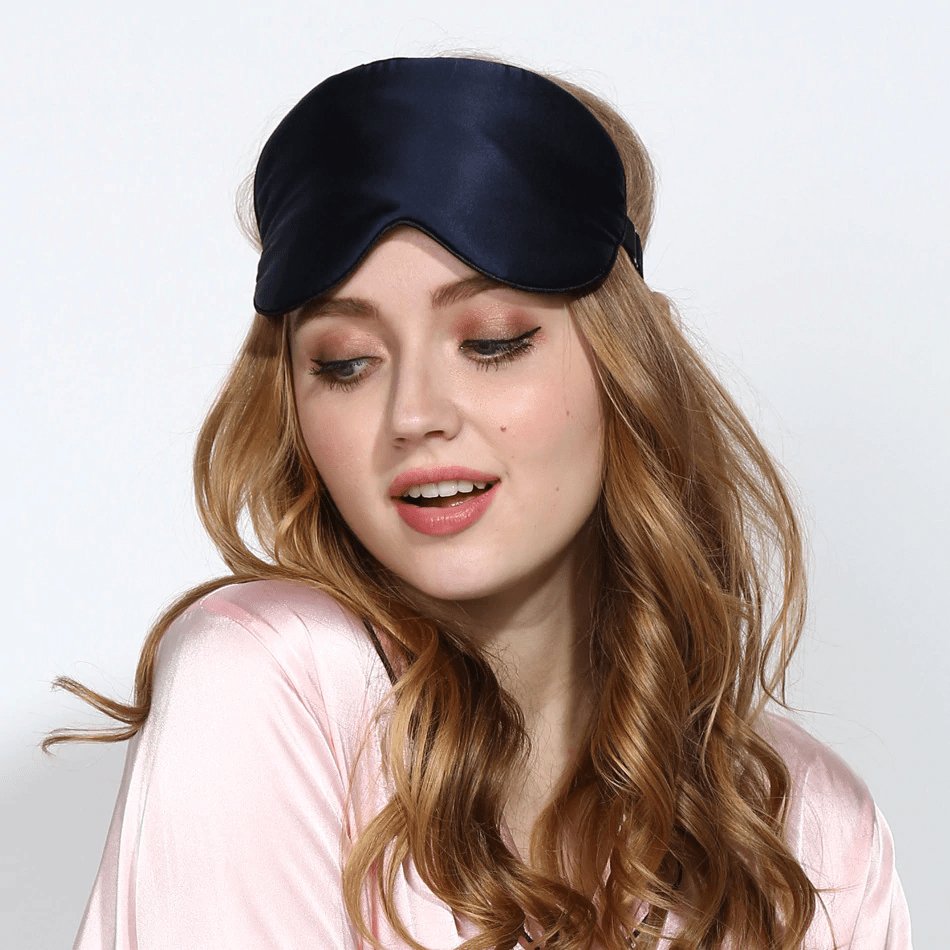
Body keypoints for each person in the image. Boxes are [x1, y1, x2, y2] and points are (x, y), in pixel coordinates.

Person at [45, 53, 912, 949]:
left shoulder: (814, 832)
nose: (413, 415)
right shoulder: (265, 678)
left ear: (632, 364)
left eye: (492, 343)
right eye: (346, 362)